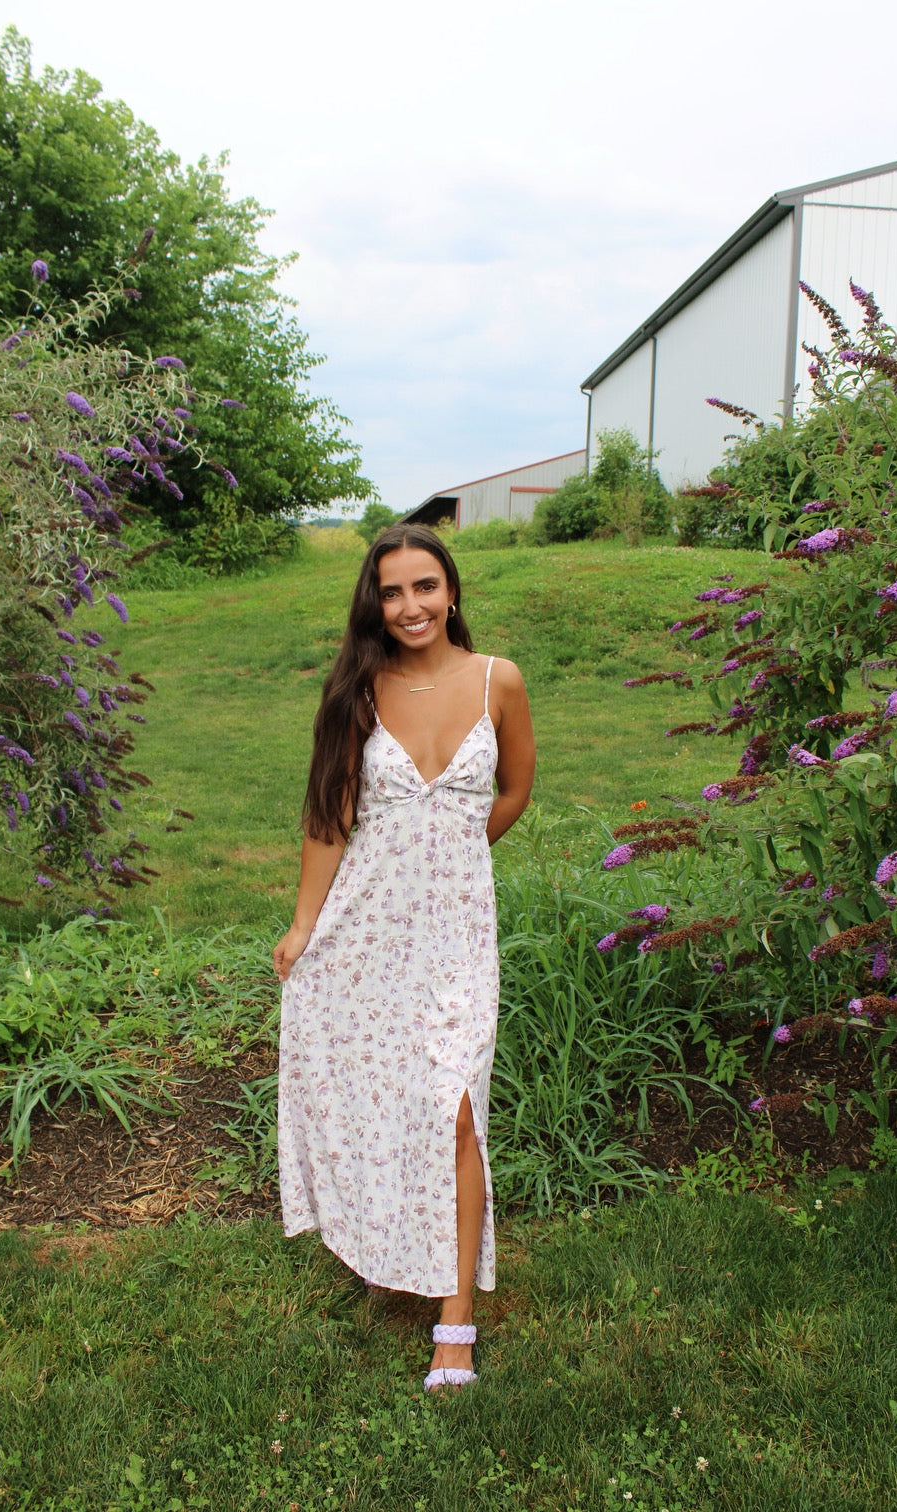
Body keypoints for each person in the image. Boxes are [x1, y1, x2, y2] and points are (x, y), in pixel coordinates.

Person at [273, 523, 535, 1391]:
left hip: (457, 933)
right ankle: (385, 1239)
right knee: (379, 1091)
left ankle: (454, 1322)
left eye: (424, 586)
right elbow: (330, 818)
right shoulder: (360, 688)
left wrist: (459, 846)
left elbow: (516, 789)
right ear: (373, 602)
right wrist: (306, 925)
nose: (410, 605)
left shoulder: (499, 680)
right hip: (369, 928)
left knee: (458, 1108)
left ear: (450, 590)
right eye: (391, 591)